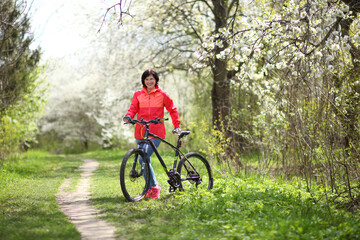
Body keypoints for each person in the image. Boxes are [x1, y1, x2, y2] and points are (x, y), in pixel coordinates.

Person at [123, 69, 181, 199]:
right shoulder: (138, 94)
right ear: (143, 81)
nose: (149, 81)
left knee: (142, 157)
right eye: (147, 79)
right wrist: (128, 116)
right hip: (140, 131)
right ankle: (150, 189)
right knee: (144, 158)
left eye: (151, 79)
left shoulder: (162, 95)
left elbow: (172, 109)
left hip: (156, 131)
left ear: (156, 80)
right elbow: (133, 108)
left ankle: (153, 187)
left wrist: (177, 125)